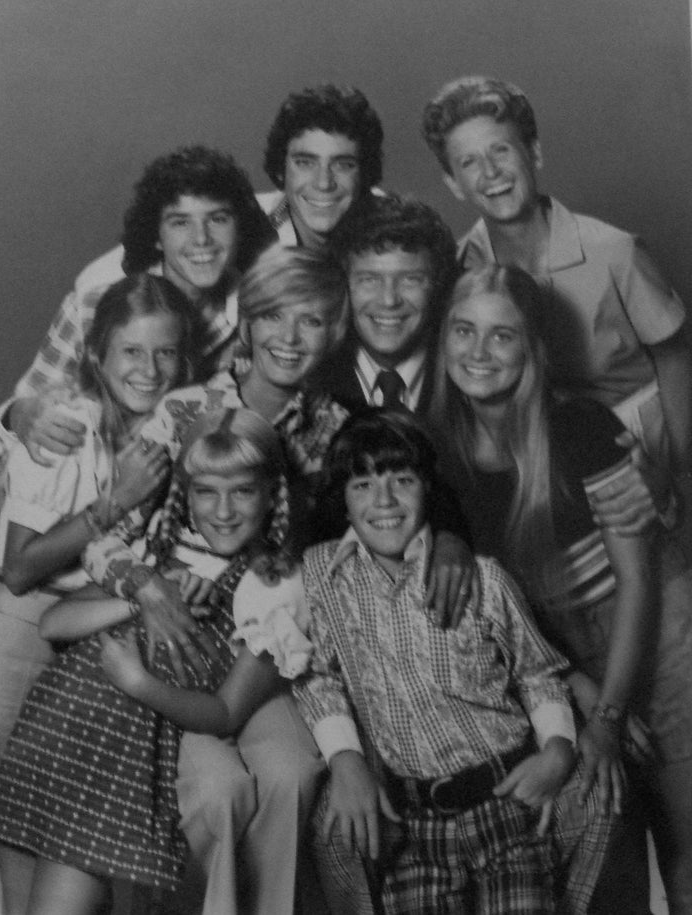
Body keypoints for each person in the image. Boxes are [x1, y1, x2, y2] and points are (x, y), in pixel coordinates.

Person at [428, 265, 692, 913]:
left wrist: (605, 718)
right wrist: (578, 686)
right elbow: (507, 612)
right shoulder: (438, 450)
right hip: (552, 659)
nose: (479, 353)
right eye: (464, 330)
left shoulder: (580, 427)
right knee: (603, 855)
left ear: (532, 348)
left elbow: (637, 583)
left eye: (502, 336)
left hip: (656, 637)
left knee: (687, 854)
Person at [0, 407, 313, 915]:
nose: (222, 510)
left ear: (272, 495)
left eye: (242, 491)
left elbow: (224, 713)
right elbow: (53, 624)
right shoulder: (162, 553)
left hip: (115, 763)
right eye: (206, 491)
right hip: (52, 738)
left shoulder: (272, 586)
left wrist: (135, 681)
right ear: (187, 495)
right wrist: (144, 597)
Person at [294, 407, 580, 914]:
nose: (383, 501)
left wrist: (557, 749)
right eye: (361, 484)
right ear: (342, 497)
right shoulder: (323, 580)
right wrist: (344, 757)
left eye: (402, 481)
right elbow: (320, 680)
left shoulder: (483, 579)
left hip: (505, 806)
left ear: (429, 487)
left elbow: (538, 674)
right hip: (415, 826)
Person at [0, 274, 194, 915]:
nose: (149, 370)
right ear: (97, 354)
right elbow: (19, 568)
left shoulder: (170, 429)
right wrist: (116, 502)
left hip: (95, 613)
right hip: (24, 609)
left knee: (60, 792)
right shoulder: (69, 425)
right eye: (132, 352)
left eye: (165, 354)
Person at [421, 74, 692, 537]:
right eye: (469, 162)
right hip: (543, 450)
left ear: (535, 153)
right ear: (453, 183)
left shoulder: (615, 252)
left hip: (640, 440)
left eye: (501, 151)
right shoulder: (461, 268)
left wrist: (676, 474)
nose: (490, 174)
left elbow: (676, 360)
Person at [0, 146, 276, 468]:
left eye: (218, 219)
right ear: (156, 236)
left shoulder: (261, 312)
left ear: (239, 227)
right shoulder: (95, 305)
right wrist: (21, 416)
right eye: (181, 222)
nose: (202, 239)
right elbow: (4, 448)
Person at [309, 193, 456, 416]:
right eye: (369, 280)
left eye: (410, 280)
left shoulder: (464, 378)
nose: (389, 300)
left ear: (437, 285)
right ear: (343, 286)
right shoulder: (312, 379)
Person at [260, 83, 384, 250]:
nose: (323, 183)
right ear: (281, 170)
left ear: (364, 173)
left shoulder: (393, 227)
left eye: (343, 165)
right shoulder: (246, 226)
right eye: (305, 163)